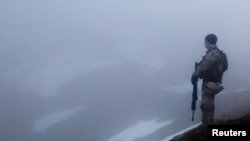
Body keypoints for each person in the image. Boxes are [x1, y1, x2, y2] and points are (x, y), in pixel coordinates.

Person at [191, 33, 226, 127]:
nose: (204, 43)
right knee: (207, 106)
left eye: (205, 41)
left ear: (208, 42)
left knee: (206, 107)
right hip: (212, 83)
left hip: (210, 84)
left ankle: (207, 128)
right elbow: (224, 67)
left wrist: (194, 75)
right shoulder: (217, 52)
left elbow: (204, 66)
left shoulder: (213, 53)